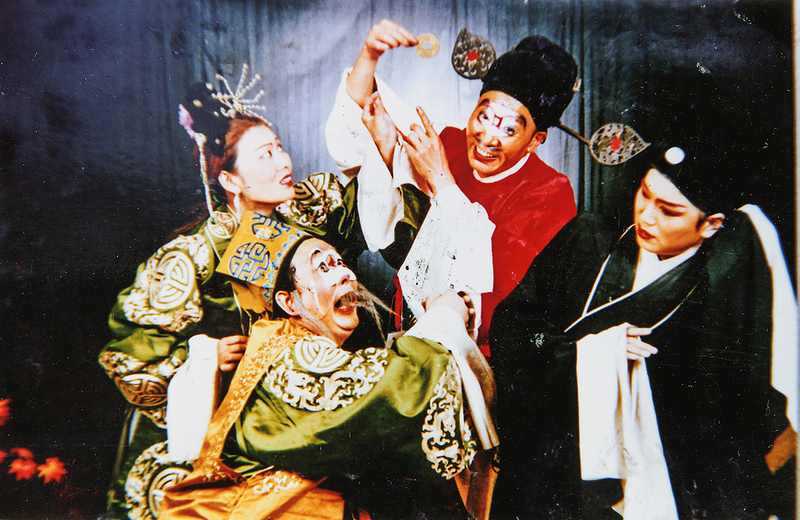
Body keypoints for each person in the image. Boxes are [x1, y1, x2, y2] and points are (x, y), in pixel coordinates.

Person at [98, 67, 427, 520]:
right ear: (231, 180)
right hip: (228, 426)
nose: (283, 162)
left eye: (279, 147)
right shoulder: (194, 256)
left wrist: (384, 141)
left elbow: (373, 212)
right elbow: (128, 353)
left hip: (300, 408)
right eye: (264, 155)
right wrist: (203, 356)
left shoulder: (309, 213)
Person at [488, 137, 797, 519]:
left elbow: (727, 428)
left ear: (711, 225)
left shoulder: (714, 297)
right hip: (553, 469)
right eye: (645, 194)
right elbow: (512, 326)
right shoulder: (588, 239)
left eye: (668, 211)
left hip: (647, 488)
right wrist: (587, 353)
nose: (646, 217)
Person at [158, 213, 498, 520]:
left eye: (341, 262)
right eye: (323, 267)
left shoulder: (285, 346)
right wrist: (445, 315)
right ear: (288, 302)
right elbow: (396, 390)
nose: (346, 274)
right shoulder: (291, 355)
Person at [326, 19, 579, 353]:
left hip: (478, 353)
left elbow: (498, 296)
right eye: (484, 117)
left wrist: (441, 179)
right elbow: (360, 122)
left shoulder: (549, 191)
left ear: (535, 140)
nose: (488, 138)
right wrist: (370, 55)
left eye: (508, 130)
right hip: (407, 328)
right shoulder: (448, 141)